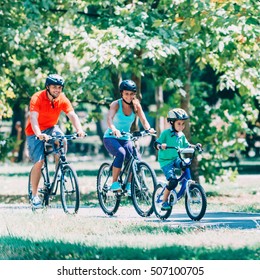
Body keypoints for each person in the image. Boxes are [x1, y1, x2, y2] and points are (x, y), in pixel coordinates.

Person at [25, 74, 85, 208]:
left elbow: (72, 115)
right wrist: (39, 134)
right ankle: (34, 196)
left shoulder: (62, 98)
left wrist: (79, 129)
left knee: (62, 140)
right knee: (39, 162)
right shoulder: (37, 98)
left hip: (51, 128)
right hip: (34, 132)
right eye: (54, 87)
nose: (57, 90)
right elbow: (33, 118)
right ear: (47, 87)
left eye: (59, 87)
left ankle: (61, 171)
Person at [103, 79, 155, 195]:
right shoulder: (116, 104)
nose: (129, 96)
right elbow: (109, 119)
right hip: (111, 137)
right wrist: (114, 129)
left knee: (136, 159)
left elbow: (143, 120)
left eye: (131, 94)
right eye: (126, 93)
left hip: (126, 138)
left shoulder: (136, 105)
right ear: (122, 93)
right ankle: (114, 182)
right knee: (121, 153)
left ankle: (129, 184)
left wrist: (148, 129)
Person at [154, 108, 202, 210]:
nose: (182, 126)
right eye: (179, 123)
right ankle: (164, 201)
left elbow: (187, 145)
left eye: (183, 124)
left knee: (185, 164)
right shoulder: (166, 133)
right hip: (166, 162)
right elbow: (156, 143)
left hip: (176, 159)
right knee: (172, 182)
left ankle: (183, 180)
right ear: (172, 122)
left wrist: (195, 146)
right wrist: (160, 146)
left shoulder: (181, 135)